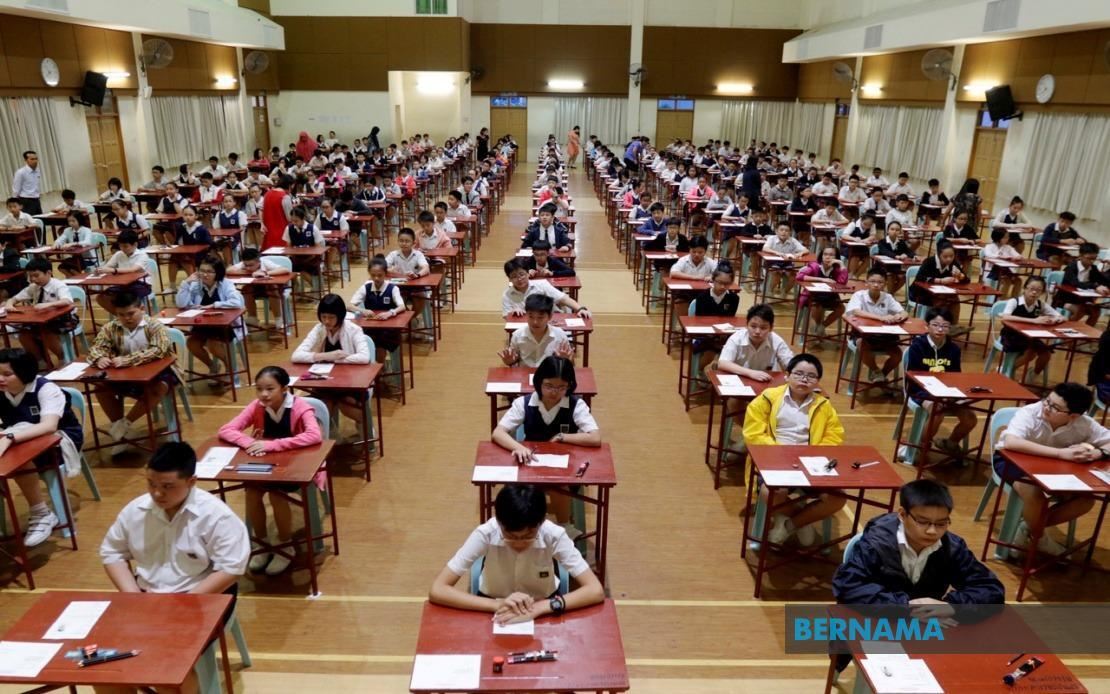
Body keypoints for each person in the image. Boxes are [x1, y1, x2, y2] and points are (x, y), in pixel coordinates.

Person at [99, 441, 248, 694]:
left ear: (191, 481)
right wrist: (133, 597)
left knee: (165, 670)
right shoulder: (135, 511)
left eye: (168, 486)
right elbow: (112, 552)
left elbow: (231, 568)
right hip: (145, 598)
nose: (157, 494)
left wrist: (184, 605)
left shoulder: (217, 517)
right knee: (103, 667)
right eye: (151, 484)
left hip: (201, 600)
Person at [429, 483, 604, 623]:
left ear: (541, 522)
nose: (519, 543)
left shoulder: (553, 535)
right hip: (492, 603)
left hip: (543, 605)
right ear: (499, 522)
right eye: (511, 537)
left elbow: (595, 590)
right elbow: (438, 589)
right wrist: (496, 605)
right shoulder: (485, 533)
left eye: (528, 536)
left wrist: (542, 607)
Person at [218, 366, 323, 576]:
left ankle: (285, 546)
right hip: (266, 466)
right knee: (252, 492)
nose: (263, 394)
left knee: (276, 495)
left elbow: (314, 435)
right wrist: (249, 443)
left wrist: (271, 445)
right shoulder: (256, 406)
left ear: (284, 389)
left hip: (296, 467)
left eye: (270, 389)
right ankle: (262, 544)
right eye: (259, 389)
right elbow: (226, 430)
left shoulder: (300, 407)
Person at [832, 479, 1004, 606]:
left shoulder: (953, 547)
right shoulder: (876, 543)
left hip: (928, 628)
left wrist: (951, 606)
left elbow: (991, 589)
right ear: (902, 515)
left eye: (941, 523)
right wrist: (905, 606)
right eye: (922, 522)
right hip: (880, 623)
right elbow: (848, 587)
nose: (932, 531)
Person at [742, 353, 846, 545]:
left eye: (811, 376)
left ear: (817, 382)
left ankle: (791, 524)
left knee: (837, 498)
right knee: (771, 492)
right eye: (798, 374)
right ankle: (802, 521)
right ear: (787, 375)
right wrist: (782, 453)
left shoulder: (823, 405)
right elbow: (753, 435)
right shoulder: (767, 399)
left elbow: (834, 436)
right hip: (774, 461)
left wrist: (810, 456)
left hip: (810, 464)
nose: (804, 379)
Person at [998, 382, 1110, 556]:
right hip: (1012, 461)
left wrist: (1098, 452)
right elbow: (1011, 442)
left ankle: (1027, 527)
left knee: (1086, 500)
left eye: (1055, 407)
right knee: (1033, 492)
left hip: (1053, 468)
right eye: (1047, 401)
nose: (1046, 407)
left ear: (1073, 416)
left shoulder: (1084, 424)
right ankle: (1040, 538)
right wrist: (1060, 453)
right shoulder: (1030, 412)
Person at [491, 356, 600, 532]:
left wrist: (562, 437)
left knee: (559, 486)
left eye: (561, 387)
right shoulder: (524, 403)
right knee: (516, 490)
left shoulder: (576, 405)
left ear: (569, 385)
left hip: (564, 469)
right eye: (549, 386)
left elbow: (595, 437)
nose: (554, 392)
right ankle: (517, 529)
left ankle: (565, 528)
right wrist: (519, 447)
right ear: (539, 382)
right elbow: (498, 432)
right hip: (531, 465)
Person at [0, 347, 84, 546]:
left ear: (24, 372)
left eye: (7, 374)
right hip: (21, 437)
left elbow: (49, 426)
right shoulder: (2, 391)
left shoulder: (46, 389)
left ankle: (41, 514)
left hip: (59, 439)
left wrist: (10, 436)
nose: (0, 379)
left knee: (19, 459)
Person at [88, 291, 181, 454]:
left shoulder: (155, 326)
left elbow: (159, 350)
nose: (126, 318)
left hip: (160, 373)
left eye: (131, 313)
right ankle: (123, 433)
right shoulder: (111, 327)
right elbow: (96, 347)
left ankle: (124, 425)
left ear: (142, 309)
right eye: (121, 315)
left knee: (160, 387)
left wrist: (128, 359)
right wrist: (99, 357)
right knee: (100, 388)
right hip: (126, 375)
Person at [904, 307, 978, 462]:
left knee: (970, 417)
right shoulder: (917, 346)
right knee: (937, 410)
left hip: (947, 392)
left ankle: (950, 443)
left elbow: (955, 375)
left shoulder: (953, 349)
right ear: (927, 326)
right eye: (936, 325)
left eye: (945, 326)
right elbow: (913, 377)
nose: (940, 329)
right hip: (920, 390)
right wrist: (935, 392)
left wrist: (954, 394)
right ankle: (919, 445)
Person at [175, 255, 245, 382]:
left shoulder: (226, 284)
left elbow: (237, 302)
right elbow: (181, 304)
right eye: (201, 271)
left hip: (225, 325)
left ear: (217, 273)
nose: (204, 275)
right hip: (203, 324)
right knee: (192, 343)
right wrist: (186, 283)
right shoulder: (196, 285)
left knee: (213, 344)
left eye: (209, 272)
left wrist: (214, 305)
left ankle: (230, 369)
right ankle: (213, 366)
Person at [3, 257, 76, 364]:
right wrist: (9, 304)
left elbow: (67, 301)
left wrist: (48, 305)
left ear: (48, 273)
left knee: (46, 332)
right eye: (30, 276)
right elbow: (14, 298)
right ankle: (41, 362)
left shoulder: (58, 285)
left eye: (36, 275)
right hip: (41, 319)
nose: (33, 279)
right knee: (24, 334)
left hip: (64, 319)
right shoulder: (34, 287)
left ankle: (63, 359)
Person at [845, 267, 908, 381]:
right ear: (866, 282)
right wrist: (881, 318)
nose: (876, 285)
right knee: (860, 343)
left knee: (898, 354)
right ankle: (876, 370)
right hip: (863, 335)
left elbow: (904, 312)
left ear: (885, 284)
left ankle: (881, 374)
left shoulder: (888, 297)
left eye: (880, 282)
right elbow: (856, 311)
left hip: (883, 335)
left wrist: (899, 316)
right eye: (872, 281)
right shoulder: (859, 295)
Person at [998, 276, 1065, 378]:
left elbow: (1060, 316)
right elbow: (1005, 317)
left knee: (1046, 354)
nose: (1034, 292)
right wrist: (1033, 320)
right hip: (1012, 336)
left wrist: (1055, 320)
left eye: (1038, 290)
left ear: (1042, 293)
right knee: (1031, 353)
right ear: (1025, 288)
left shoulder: (1040, 304)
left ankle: (1032, 375)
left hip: (1031, 336)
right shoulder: (1014, 302)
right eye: (1031, 289)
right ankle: (1006, 369)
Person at [349, 255, 405, 365]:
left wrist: (390, 313)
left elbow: (402, 306)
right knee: (360, 340)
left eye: (379, 275)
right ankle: (377, 368)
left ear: (385, 274)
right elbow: (350, 306)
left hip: (389, 330)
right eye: (373, 275)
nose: (376, 278)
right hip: (370, 327)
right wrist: (363, 310)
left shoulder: (393, 288)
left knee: (380, 344)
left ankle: (380, 369)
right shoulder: (366, 287)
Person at [717, 303, 795, 382]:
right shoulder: (736, 338)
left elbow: (792, 365)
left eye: (763, 328)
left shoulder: (776, 341)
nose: (757, 331)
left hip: (766, 382)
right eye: (753, 326)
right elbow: (723, 363)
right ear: (747, 325)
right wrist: (751, 373)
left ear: (771, 328)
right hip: (739, 381)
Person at [498, 294, 574, 368]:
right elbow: (513, 360)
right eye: (531, 317)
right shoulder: (517, 335)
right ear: (526, 315)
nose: (535, 322)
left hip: (550, 375)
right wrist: (509, 361)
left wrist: (566, 360)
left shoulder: (560, 335)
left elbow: (571, 362)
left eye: (540, 318)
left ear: (550, 316)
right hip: (525, 374)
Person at [502, 258, 589, 318]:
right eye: (514, 276)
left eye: (522, 274)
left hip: (550, 324)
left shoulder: (542, 284)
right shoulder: (507, 295)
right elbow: (507, 317)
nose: (519, 279)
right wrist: (513, 313)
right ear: (509, 279)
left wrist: (580, 309)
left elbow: (563, 299)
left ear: (528, 273)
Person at [911, 241, 969, 327]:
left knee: (955, 299)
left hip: (943, 292)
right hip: (922, 293)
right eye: (945, 256)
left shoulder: (953, 263)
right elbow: (920, 278)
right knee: (942, 300)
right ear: (938, 255)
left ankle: (953, 326)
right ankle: (934, 325)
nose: (949, 259)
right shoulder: (929, 262)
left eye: (951, 256)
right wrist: (940, 281)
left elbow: (967, 280)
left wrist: (960, 275)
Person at [796, 246, 849, 340]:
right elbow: (800, 276)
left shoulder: (836, 269)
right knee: (818, 307)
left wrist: (842, 265)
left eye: (831, 255)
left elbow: (842, 283)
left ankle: (822, 326)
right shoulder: (814, 266)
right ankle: (817, 328)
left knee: (841, 308)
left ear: (836, 257)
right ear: (822, 256)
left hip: (830, 297)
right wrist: (822, 279)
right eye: (825, 254)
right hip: (813, 296)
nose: (828, 257)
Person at [98, 229, 152, 314]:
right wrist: (101, 270)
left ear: (135, 244)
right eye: (120, 246)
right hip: (123, 284)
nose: (122, 249)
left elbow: (133, 270)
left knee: (125, 297)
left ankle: (134, 316)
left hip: (141, 284)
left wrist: (114, 270)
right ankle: (121, 317)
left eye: (125, 246)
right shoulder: (119, 254)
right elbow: (107, 266)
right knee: (102, 297)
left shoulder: (142, 255)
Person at [1059, 242, 1108, 325]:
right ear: (1080, 256)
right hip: (1067, 299)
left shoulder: (1093, 269)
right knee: (1080, 310)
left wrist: (1105, 287)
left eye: (1094, 258)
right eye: (1089, 258)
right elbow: (1076, 283)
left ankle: (1087, 331)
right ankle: (1067, 329)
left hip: (1083, 300)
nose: (1092, 261)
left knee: (1096, 311)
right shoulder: (1071, 267)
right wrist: (1095, 286)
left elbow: (1104, 280)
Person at [762, 222, 807, 296]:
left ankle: (785, 292)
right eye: (781, 230)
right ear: (776, 231)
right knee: (777, 273)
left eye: (786, 230)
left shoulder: (792, 240)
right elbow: (765, 248)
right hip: (772, 263)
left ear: (790, 232)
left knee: (794, 276)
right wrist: (777, 253)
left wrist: (799, 254)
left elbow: (806, 250)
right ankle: (770, 291)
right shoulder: (772, 238)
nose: (784, 232)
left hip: (787, 264)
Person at [982, 227, 1023, 299]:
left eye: (1008, 237)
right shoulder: (989, 246)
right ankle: (1001, 300)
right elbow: (988, 255)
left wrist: (1018, 257)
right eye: (1005, 237)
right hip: (993, 271)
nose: (1007, 239)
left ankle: (1015, 299)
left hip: (1006, 270)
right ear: (998, 238)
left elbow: (1018, 255)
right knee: (1006, 280)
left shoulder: (1008, 247)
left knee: (1018, 280)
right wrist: (1002, 257)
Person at [53, 211, 96, 276]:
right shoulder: (67, 230)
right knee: (62, 267)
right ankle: (73, 281)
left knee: (72, 268)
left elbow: (87, 242)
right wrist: (56, 243)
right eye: (69, 221)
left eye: (73, 221)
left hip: (88, 258)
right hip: (75, 258)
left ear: (79, 220)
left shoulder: (86, 230)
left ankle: (81, 280)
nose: (71, 223)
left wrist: (74, 243)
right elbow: (60, 239)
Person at [261, 174, 294, 250]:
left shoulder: (267, 194)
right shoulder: (285, 197)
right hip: (282, 233)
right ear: (289, 185)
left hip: (269, 233)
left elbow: (261, 209)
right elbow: (290, 218)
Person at [11, 150, 42, 215]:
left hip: (36, 200)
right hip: (26, 201)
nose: (35, 161)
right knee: (28, 219)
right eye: (32, 159)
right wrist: (15, 204)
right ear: (26, 160)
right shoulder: (21, 172)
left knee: (40, 219)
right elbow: (16, 189)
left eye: (36, 159)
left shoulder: (37, 171)